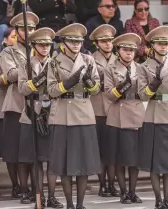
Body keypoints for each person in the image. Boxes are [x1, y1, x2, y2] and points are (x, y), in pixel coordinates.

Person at [47, 23, 102, 209]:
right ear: (64, 42)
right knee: (65, 165)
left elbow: (96, 90)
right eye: (72, 40)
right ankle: (69, 204)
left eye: (79, 41)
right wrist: (68, 83)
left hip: (84, 112)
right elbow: (51, 91)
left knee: (84, 164)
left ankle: (80, 204)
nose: (76, 44)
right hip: (63, 114)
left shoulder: (88, 60)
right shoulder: (54, 62)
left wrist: (88, 82)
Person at [137, 26, 168, 209]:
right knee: (155, 162)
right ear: (152, 45)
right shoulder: (144, 67)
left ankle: (167, 199)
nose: (164, 47)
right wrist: (154, 83)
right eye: (160, 43)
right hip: (153, 114)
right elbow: (142, 95)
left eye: (166, 43)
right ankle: (158, 199)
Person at [17, 27, 63, 209]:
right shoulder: (26, 64)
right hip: (32, 112)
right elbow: (22, 89)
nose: (45, 48)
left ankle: (52, 196)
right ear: (34, 45)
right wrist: (37, 80)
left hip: (52, 112)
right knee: (36, 160)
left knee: (52, 158)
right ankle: (40, 196)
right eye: (41, 45)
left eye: (48, 45)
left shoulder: (56, 63)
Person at [0, 12, 39, 203]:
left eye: (32, 28)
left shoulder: (41, 47)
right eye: (25, 28)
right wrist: (33, 66)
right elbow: (11, 74)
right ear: (17, 31)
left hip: (38, 105)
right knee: (20, 151)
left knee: (35, 150)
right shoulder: (8, 52)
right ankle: (23, 189)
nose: (29, 32)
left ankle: (36, 190)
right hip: (16, 104)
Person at [104, 32, 145, 204]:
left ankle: (133, 192)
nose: (129, 53)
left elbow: (145, 94)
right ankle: (123, 192)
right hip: (117, 114)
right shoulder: (110, 68)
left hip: (136, 112)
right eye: (126, 49)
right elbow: (109, 94)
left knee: (134, 159)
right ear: (118, 50)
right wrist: (122, 87)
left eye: (132, 50)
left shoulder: (140, 68)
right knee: (120, 158)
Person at [88, 24, 119, 198]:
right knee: (101, 150)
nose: (108, 44)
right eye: (104, 41)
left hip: (115, 109)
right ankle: (102, 185)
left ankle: (112, 185)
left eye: (110, 40)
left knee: (112, 150)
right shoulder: (90, 59)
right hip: (98, 108)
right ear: (97, 43)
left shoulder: (119, 59)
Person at [0, 28, 19, 198]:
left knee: (24, 151)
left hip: (22, 106)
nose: (16, 39)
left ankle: (25, 185)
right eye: (13, 37)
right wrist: (10, 74)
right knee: (9, 151)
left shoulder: (27, 56)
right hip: (3, 108)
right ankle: (15, 185)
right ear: (5, 40)